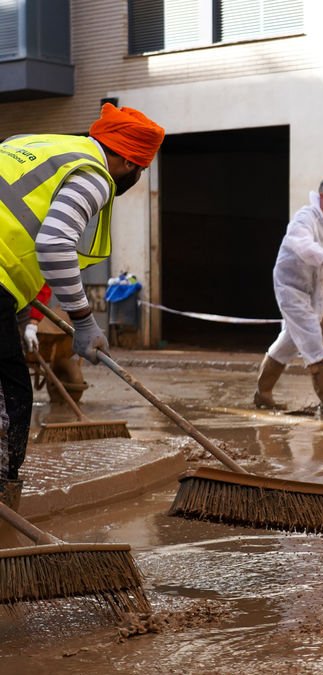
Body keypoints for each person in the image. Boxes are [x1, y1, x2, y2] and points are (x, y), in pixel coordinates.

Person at [0, 103, 164, 547]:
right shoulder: (92, 174)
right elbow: (54, 244)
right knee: (10, 403)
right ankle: (5, 529)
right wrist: (84, 321)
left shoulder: (29, 144)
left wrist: (19, 307)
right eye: (140, 170)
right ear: (128, 161)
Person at [254, 176, 323, 416]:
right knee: (312, 336)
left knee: (291, 340)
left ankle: (263, 393)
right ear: (322, 197)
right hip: (290, 286)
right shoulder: (306, 218)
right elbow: (302, 245)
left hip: (316, 289)